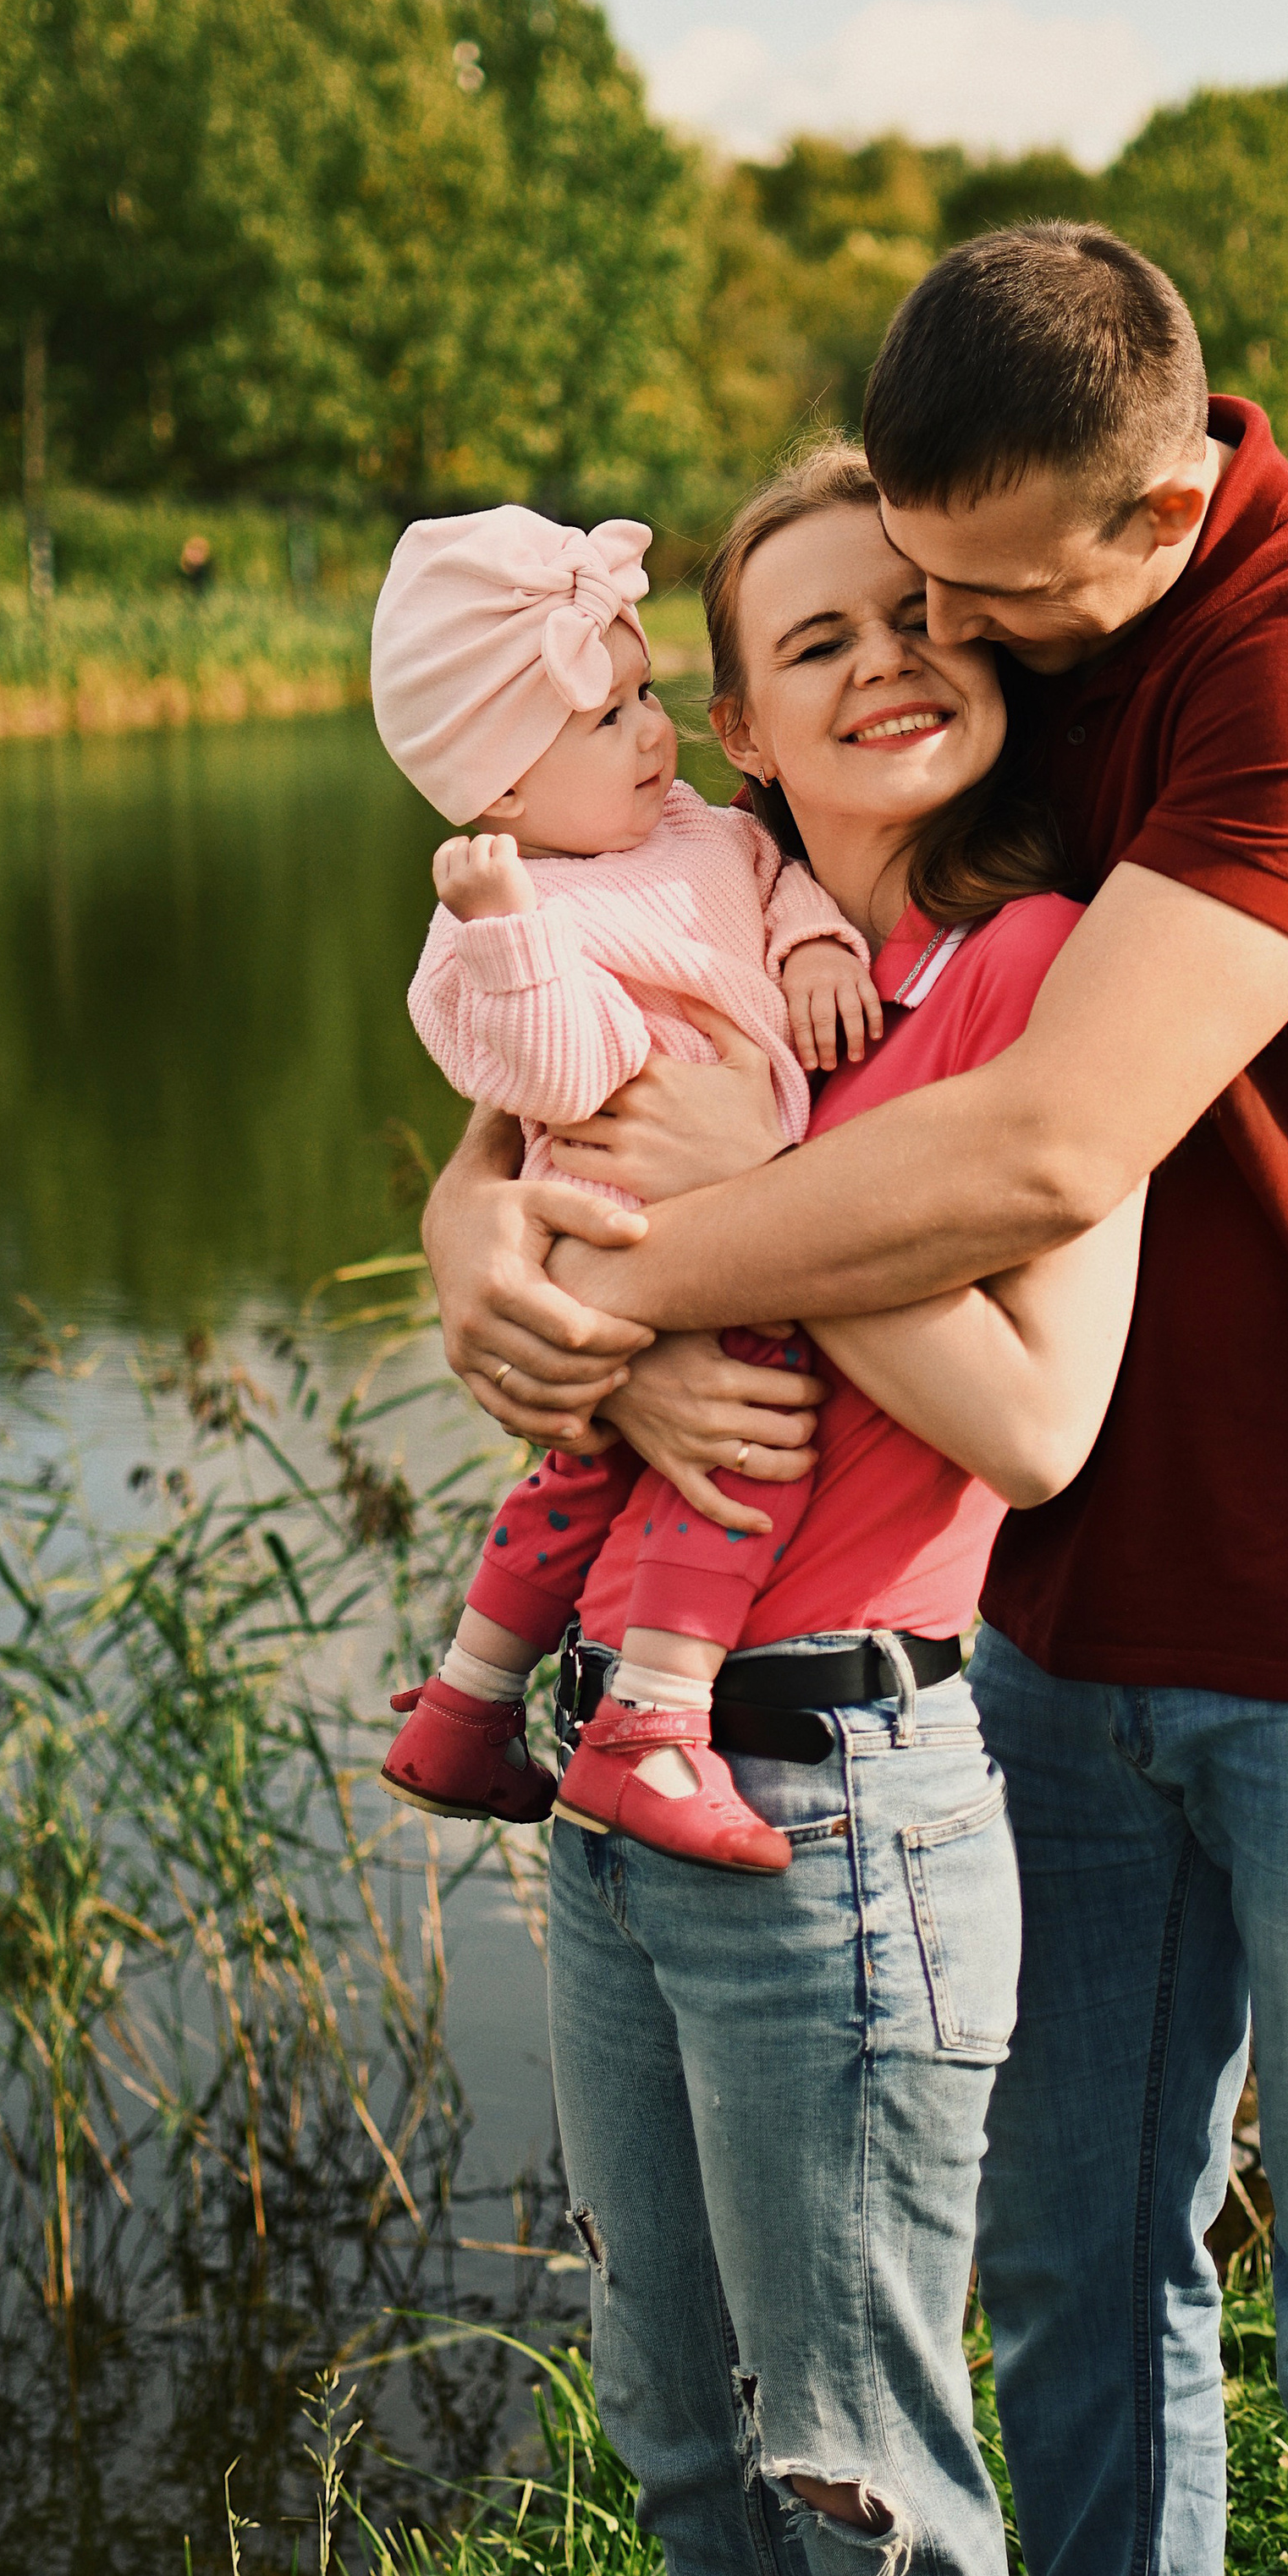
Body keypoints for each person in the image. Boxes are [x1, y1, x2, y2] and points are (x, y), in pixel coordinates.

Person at [423, 230, 1288, 2576]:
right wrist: (479, 1232)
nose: (939, 642)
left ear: (1150, 522)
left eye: (980, 598)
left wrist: (614, 1289)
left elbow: (1046, 1147)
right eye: (893, 600)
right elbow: (589, 1010)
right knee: (1076, 2270)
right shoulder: (979, 669)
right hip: (1037, 1633)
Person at [542, 442, 1146, 2576]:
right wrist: (604, 1341)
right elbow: (503, 1221)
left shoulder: (1034, 970)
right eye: (821, 644)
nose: (890, 664)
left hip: (846, 1813)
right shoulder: (686, 947)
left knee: (858, 2479)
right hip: (618, 1773)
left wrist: (746, 1216)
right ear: (743, 738)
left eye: (913, 616)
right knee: (682, 2436)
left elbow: (1038, 1424)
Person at [368, 502, 878, 1867]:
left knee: (582, 1476)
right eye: (608, 722)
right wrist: (510, 939)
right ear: (504, 794)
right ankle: (652, 1722)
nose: (657, 733)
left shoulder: (705, 832)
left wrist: (822, 950)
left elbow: (784, 889)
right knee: (738, 1453)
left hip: (706, 1222)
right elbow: (563, 1070)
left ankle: (469, 1706)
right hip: (643, 1233)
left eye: (646, 693)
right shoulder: (503, 924)